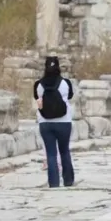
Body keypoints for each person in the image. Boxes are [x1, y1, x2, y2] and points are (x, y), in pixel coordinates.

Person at [33, 56, 76, 188]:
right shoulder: (65, 83)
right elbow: (70, 96)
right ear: (58, 67)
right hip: (64, 122)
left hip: (45, 123)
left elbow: (37, 97)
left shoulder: (39, 85)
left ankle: (54, 183)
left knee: (51, 153)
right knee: (64, 151)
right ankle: (68, 180)